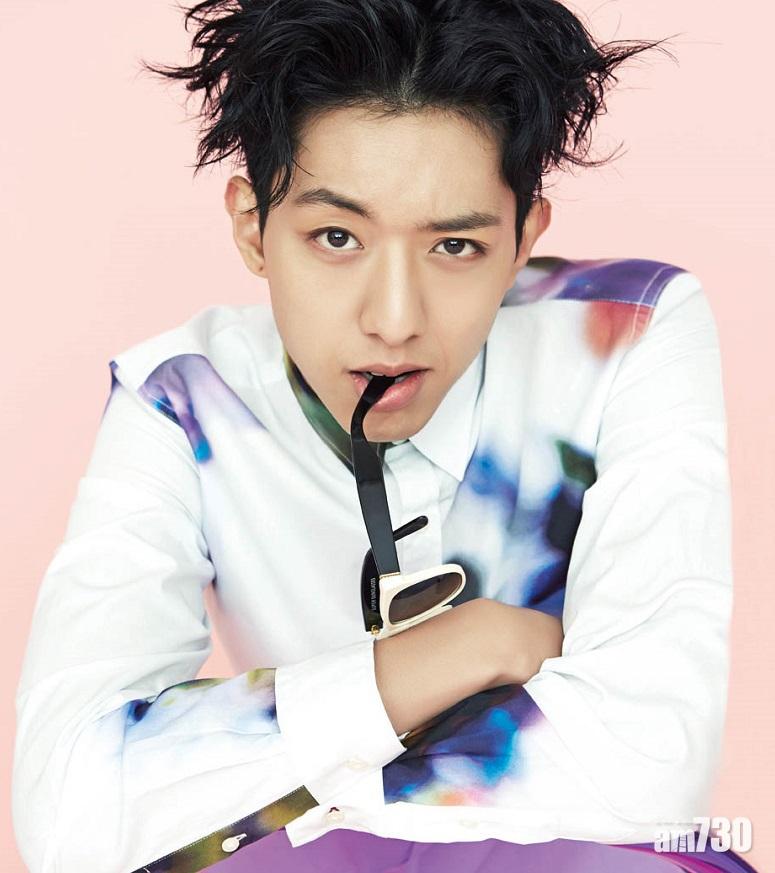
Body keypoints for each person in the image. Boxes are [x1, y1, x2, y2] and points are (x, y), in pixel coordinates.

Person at [11, 1, 756, 872]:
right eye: (336, 237)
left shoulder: (626, 333)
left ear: (523, 238)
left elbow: (650, 776)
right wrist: (463, 647)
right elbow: (70, 817)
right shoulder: (181, 396)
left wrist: (271, 789)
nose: (394, 320)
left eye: (455, 246)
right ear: (252, 227)